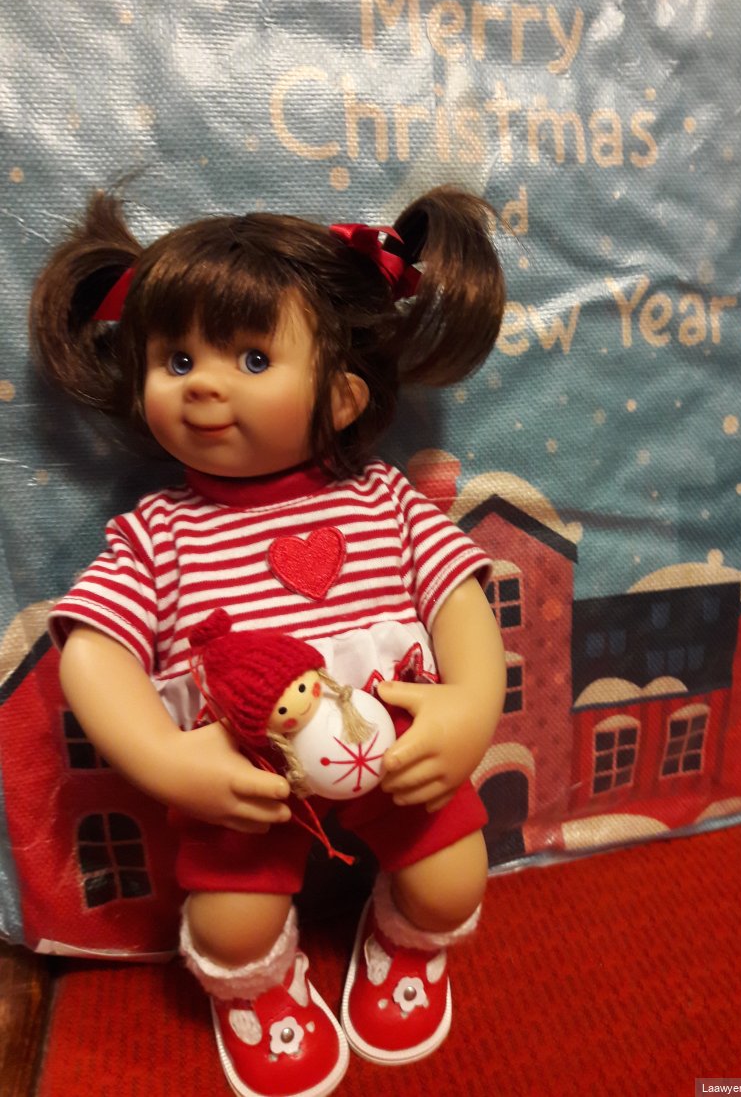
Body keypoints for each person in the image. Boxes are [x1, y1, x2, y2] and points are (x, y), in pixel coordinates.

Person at [29, 186, 507, 1097]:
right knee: (232, 925)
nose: (203, 384)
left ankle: (405, 937)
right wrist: (168, 760)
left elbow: (460, 598)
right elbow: (92, 649)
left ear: (345, 394)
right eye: (177, 359)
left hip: (397, 746)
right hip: (242, 777)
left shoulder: (385, 499)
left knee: (452, 881)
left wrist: (470, 707)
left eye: (252, 357)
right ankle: (259, 989)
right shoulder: (159, 533)